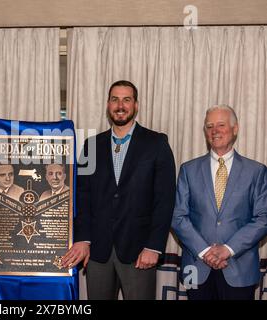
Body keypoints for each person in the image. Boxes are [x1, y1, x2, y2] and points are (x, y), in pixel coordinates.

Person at [62, 80, 176, 300]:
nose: (120, 105)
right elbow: (82, 197)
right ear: (108, 105)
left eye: (126, 99)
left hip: (140, 250)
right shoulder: (91, 146)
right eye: (115, 99)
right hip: (98, 251)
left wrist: (154, 246)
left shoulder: (157, 143)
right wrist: (83, 239)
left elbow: (165, 199)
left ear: (136, 105)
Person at [171, 105, 267, 300]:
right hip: (195, 269)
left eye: (221, 124)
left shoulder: (256, 171)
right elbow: (178, 216)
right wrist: (205, 251)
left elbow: (263, 218)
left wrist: (227, 250)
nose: (215, 131)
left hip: (240, 269)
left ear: (235, 128)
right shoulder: (188, 170)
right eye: (209, 126)